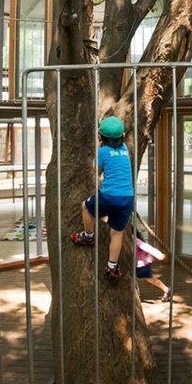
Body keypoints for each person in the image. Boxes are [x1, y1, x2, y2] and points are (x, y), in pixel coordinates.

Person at [71, 116, 134, 280]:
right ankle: (112, 266)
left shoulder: (102, 152)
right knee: (117, 233)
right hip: (127, 198)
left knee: (85, 206)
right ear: (123, 135)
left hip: (109, 196)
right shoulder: (125, 149)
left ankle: (88, 235)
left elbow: (96, 171)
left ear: (100, 137)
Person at [135, 234, 172, 302]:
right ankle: (166, 289)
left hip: (143, 264)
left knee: (149, 279)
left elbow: (147, 247)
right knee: (146, 279)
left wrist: (158, 254)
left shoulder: (134, 239)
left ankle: (166, 289)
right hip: (138, 263)